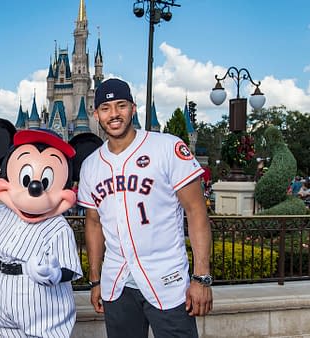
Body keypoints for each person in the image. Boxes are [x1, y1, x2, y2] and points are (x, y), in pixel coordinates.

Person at [77, 78, 213, 338]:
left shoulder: (167, 147)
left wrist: (201, 278)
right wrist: (95, 280)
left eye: (121, 106)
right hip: (117, 284)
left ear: (133, 108)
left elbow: (196, 212)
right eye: (105, 108)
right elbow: (93, 223)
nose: (114, 114)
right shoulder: (91, 165)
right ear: (96, 114)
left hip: (167, 281)